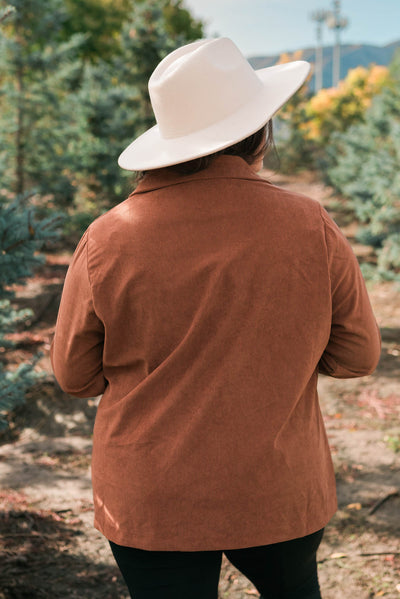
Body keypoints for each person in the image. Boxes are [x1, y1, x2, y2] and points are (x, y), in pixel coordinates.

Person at [51, 38, 381, 599]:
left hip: (151, 498)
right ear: (260, 133)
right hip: (278, 488)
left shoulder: (108, 238)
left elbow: (75, 377)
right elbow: (358, 356)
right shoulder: (309, 225)